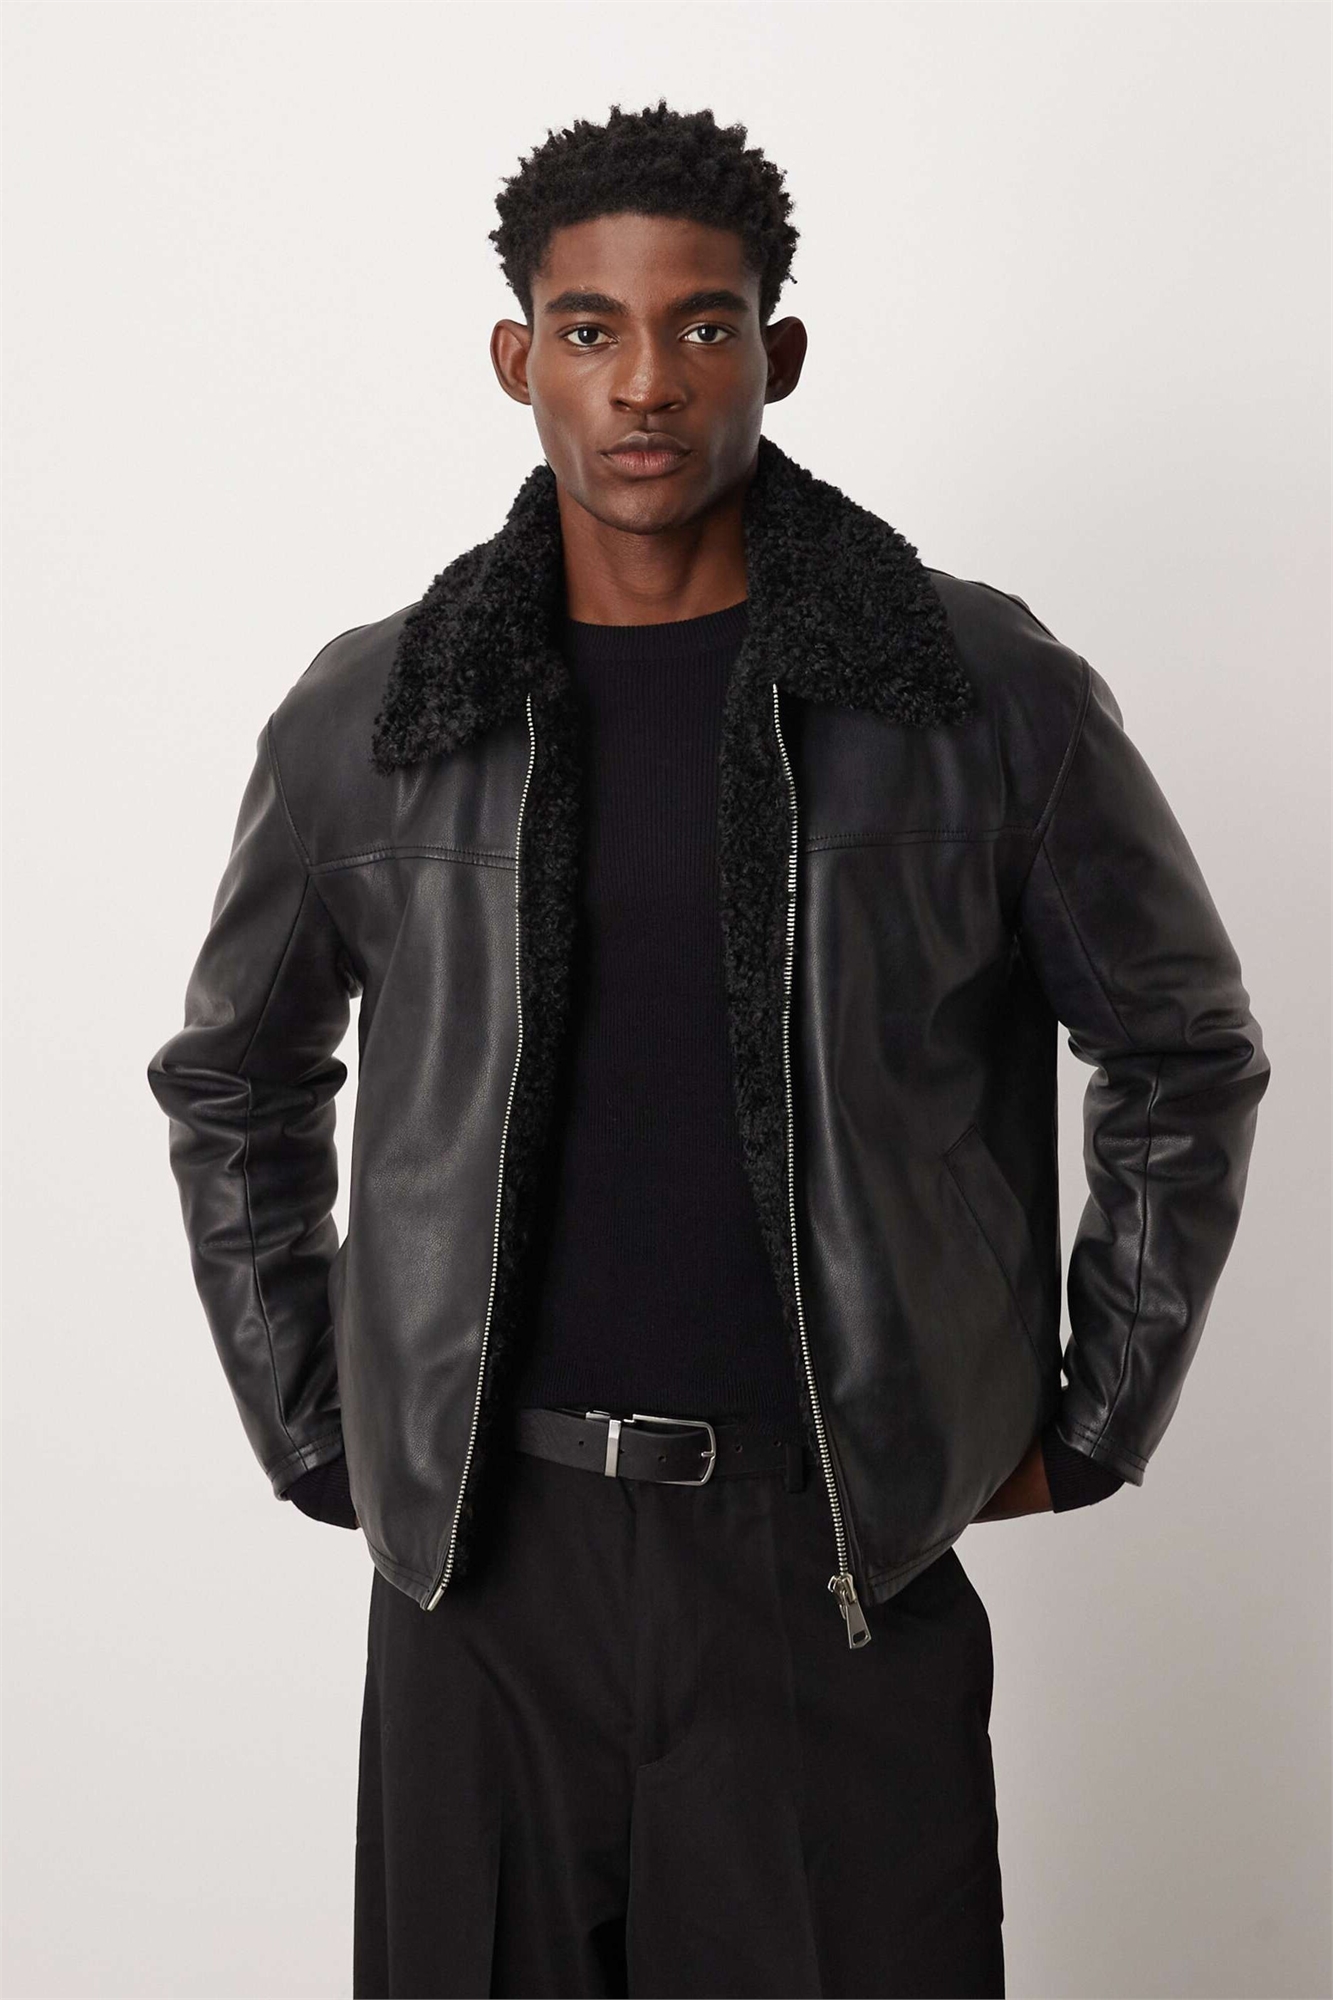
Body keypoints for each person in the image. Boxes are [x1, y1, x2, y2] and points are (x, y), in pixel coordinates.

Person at [146, 99, 1271, 2000]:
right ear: (516, 359)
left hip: (830, 1560)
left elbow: (1181, 1051)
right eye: (588, 329)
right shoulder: (373, 717)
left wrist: (1096, 1417)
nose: (645, 382)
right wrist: (316, 1424)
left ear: (779, 351)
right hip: (482, 1566)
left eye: (703, 324)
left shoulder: (980, 698)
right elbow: (234, 1080)